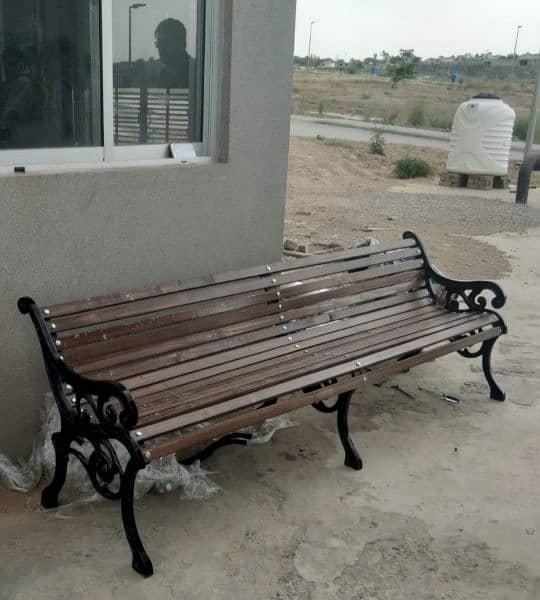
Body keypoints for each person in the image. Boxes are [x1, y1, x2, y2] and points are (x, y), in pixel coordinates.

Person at [154, 18, 192, 89]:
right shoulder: (165, 74)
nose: (160, 47)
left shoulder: (194, 74)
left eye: (166, 42)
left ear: (181, 43)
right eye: (159, 42)